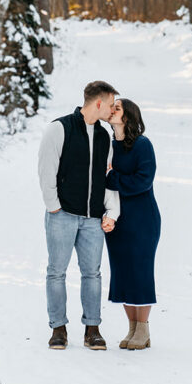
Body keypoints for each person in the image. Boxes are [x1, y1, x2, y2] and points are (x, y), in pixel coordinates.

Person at [38, 81, 121, 351]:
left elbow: (107, 178)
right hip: (62, 215)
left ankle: (92, 329)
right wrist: (54, 207)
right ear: (98, 103)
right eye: (111, 104)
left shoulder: (104, 137)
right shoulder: (59, 129)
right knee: (56, 272)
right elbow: (46, 171)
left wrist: (109, 211)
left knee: (92, 274)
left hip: (92, 219)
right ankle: (58, 328)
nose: (112, 110)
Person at [103, 98, 161, 350]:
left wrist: (112, 177)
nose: (112, 110)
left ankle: (143, 329)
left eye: (117, 108)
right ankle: (132, 328)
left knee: (140, 272)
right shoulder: (107, 145)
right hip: (116, 220)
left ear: (128, 117)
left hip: (143, 219)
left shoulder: (142, 145)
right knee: (123, 273)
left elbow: (143, 181)